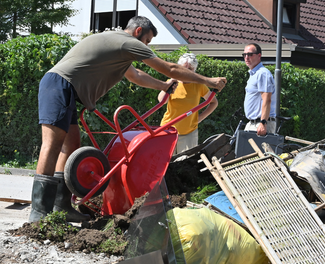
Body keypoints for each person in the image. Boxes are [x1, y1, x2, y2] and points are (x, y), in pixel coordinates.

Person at [30, 16, 227, 223]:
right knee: (52, 145)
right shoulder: (128, 43)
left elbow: (136, 76)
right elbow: (170, 69)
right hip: (60, 85)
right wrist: (208, 80)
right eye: (147, 41)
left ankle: (60, 206)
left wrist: (162, 86)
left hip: (66, 87)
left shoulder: (117, 48)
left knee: (71, 146)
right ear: (138, 31)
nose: (147, 46)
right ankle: (39, 210)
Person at [158, 53, 218, 154]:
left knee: (186, 165)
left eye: (189, 69)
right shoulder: (173, 82)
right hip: (168, 131)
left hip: (189, 133)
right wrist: (169, 85)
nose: (186, 72)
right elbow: (161, 100)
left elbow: (214, 102)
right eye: (183, 68)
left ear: (194, 71)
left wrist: (199, 118)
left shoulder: (199, 85)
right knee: (166, 164)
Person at [242, 43, 276, 136]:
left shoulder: (262, 74)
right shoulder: (254, 74)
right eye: (244, 54)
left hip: (261, 124)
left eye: (250, 54)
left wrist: (263, 122)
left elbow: (267, 99)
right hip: (253, 123)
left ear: (259, 55)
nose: (246, 57)